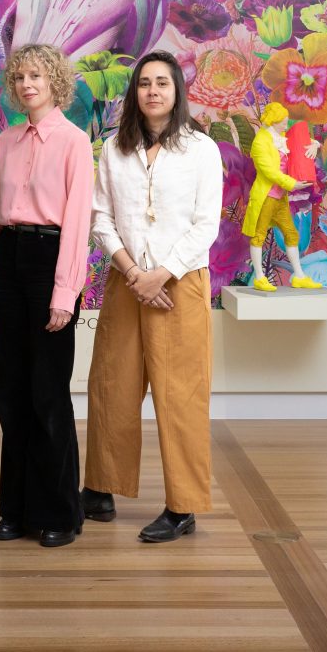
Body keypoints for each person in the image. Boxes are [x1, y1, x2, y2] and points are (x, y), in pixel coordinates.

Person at [81, 51, 223, 542]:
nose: (153, 91)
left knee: (179, 394)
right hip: (126, 281)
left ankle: (182, 507)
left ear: (177, 90)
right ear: (134, 93)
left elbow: (207, 224)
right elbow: (101, 217)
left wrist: (160, 275)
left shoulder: (202, 149)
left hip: (179, 284)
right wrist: (133, 272)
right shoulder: (112, 150)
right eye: (144, 83)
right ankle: (100, 489)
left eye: (162, 82)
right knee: (111, 384)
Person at [0, 44, 94, 548]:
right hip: (9, 263)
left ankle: (59, 513)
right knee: (12, 393)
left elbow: (77, 223)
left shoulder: (74, 142)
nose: (27, 84)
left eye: (37, 76)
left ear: (55, 83)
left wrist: (65, 292)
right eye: (20, 76)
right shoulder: (5, 141)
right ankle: (16, 510)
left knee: (48, 393)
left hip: (50, 261)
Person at [242, 102, 321, 290]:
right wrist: (292, 184)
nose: (286, 125)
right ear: (274, 121)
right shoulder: (261, 141)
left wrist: (315, 144)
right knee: (258, 235)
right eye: (283, 122)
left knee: (291, 233)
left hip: (280, 198)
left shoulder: (280, 137)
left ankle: (299, 276)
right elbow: (269, 171)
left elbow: (298, 143)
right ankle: (259, 277)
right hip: (266, 197)